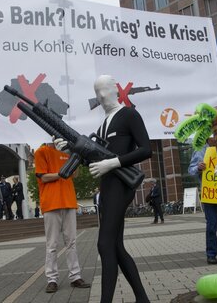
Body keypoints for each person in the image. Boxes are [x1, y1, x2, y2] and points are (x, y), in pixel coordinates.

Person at [86, 74, 151, 302]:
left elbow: (146, 149)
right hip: (107, 187)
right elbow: (94, 160)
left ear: (116, 89)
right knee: (116, 247)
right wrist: (69, 146)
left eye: (104, 89)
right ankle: (142, 299)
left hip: (122, 185)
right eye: (97, 92)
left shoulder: (129, 115)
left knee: (105, 244)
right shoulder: (103, 124)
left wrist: (113, 162)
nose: (101, 96)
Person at [34, 142, 90, 293]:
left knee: (71, 242)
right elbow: (43, 177)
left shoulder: (68, 152)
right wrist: (60, 174)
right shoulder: (41, 151)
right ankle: (52, 279)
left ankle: (75, 276)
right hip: (51, 203)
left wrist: (76, 158)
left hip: (69, 201)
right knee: (52, 244)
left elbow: (75, 174)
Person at [188, 136, 217, 265]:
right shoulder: (200, 150)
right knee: (211, 225)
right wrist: (198, 168)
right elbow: (191, 170)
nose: (215, 136)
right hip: (210, 193)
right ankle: (211, 254)